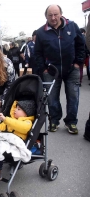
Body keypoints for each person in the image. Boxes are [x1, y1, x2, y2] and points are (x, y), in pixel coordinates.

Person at [34, 4, 84, 134]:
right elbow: (37, 53)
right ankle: (54, 121)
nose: (53, 17)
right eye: (50, 15)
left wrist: (79, 62)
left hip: (72, 68)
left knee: (73, 97)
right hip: (51, 71)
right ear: (46, 16)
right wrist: (43, 69)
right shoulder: (40, 32)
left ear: (61, 14)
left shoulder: (72, 26)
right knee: (52, 98)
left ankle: (71, 122)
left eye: (56, 14)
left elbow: (81, 45)